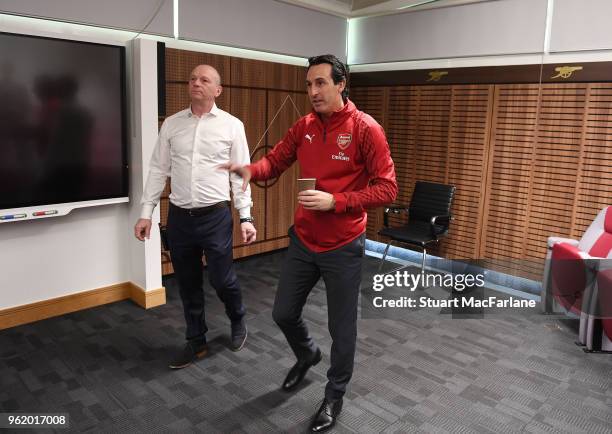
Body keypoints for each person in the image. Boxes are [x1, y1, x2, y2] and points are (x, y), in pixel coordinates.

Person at [224, 54, 397, 432]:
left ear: (341, 84)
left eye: (320, 83)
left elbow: (388, 188)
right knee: (283, 313)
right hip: (304, 240)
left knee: (342, 328)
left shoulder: (366, 129)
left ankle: (334, 395)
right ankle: (307, 354)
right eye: (308, 85)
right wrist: (251, 170)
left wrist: (338, 201)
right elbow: (277, 161)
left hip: (344, 244)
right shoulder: (303, 126)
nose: (312, 91)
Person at [134, 64, 256, 370]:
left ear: (218, 90)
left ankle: (237, 316)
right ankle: (196, 340)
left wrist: (245, 217)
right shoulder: (172, 125)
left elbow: (241, 175)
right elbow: (158, 170)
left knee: (221, 278)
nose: (195, 83)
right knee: (187, 283)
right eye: (192, 79)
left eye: (204, 80)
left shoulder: (232, 125)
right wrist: (146, 213)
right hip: (180, 218)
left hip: (215, 216)